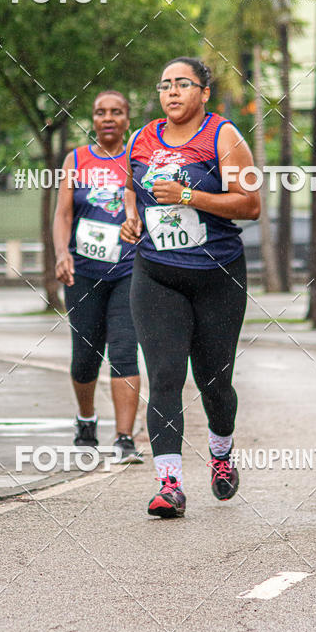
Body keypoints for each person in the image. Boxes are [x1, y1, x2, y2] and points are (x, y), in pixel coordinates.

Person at [120, 57, 260, 518]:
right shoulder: (142, 139)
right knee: (164, 377)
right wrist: (131, 218)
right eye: (165, 85)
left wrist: (188, 196)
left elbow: (250, 205)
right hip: (156, 273)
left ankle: (221, 453)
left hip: (217, 276)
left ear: (204, 92)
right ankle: (170, 485)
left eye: (183, 84)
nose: (173, 92)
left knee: (214, 382)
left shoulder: (224, 137)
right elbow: (132, 189)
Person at [53, 90, 142, 464]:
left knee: (124, 351)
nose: (108, 118)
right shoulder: (76, 160)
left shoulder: (137, 158)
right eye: (101, 112)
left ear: (126, 119)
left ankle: (124, 438)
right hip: (84, 273)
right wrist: (62, 253)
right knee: (85, 358)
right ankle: (86, 420)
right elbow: (63, 214)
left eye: (116, 112)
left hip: (129, 271)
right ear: (93, 119)